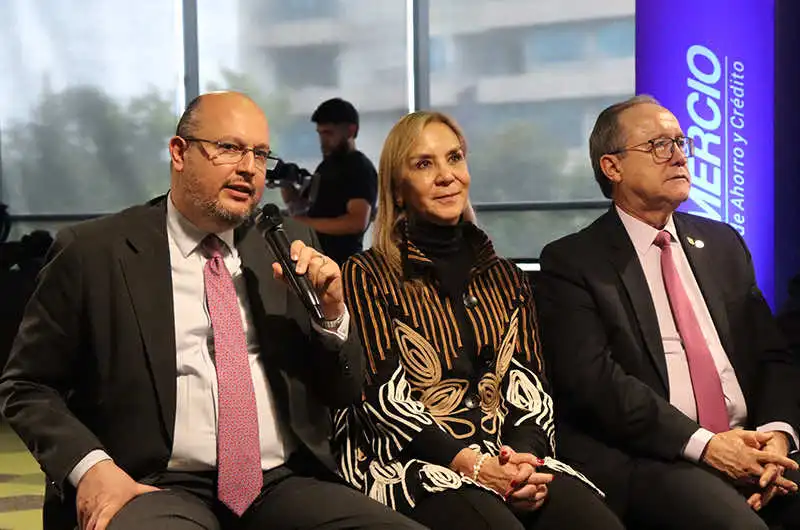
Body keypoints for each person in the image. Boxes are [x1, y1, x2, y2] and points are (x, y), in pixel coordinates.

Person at [0, 91, 423, 530]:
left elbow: (344, 391)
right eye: (229, 148)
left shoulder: (285, 245)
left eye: (260, 155)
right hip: (153, 484)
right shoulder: (94, 253)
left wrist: (333, 318)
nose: (249, 168)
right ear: (179, 153)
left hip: (283, 482)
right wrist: (92, 469)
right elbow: (27, 385)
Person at [332, 110, 624, 530]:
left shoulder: (507, 277)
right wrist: (475, 466)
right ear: (397, 188)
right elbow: (383, 400)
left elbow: (531, 388)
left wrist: (522, 461)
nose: (446, 175)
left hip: (509, 459)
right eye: (423, 164)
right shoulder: (366, 273)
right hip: (412, 463)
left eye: (454, 158)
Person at [536, 95, 800, 529]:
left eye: (680, 142)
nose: (679, 155)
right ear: (612, 167)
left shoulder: (722, 244)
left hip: (752, 442)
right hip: (659, 454)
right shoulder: (574, 261)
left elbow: (771, 356)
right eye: (659, 145)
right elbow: (595, 383)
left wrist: (776, 437)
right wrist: (707, 445)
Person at [281, 98, 378, 265]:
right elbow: (300, 206)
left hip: (341, 265)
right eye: (320, 133)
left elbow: (356, 222)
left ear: (350, 131)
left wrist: (303, 224)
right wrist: (285, 180)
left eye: (328, 133)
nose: (322, 140)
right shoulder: (325, 167)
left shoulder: (360, 169)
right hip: (315, 260)